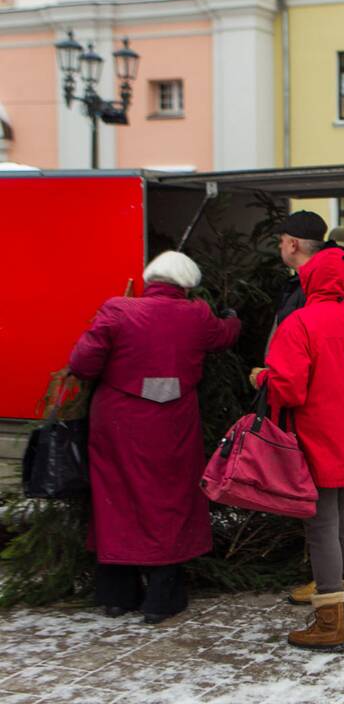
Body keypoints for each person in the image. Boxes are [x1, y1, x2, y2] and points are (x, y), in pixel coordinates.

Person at [68, 251, 241, 624]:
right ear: (187, 284)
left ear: (152, 279)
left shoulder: (117, 310)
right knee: (171, 501)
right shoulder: (195, 314)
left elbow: (82, 363)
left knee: (116, 500)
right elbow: (223, 336)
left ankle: (117, 596)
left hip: (118, 421)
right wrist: (233, 318)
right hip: (173, 423)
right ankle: (162, 599)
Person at [252, 245, 344, 650]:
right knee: (342, 519)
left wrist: (262, 379)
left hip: (316, 437)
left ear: (310, 279)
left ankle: (330, 621)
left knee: (322, 525)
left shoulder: (299, 324)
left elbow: (289, 389)